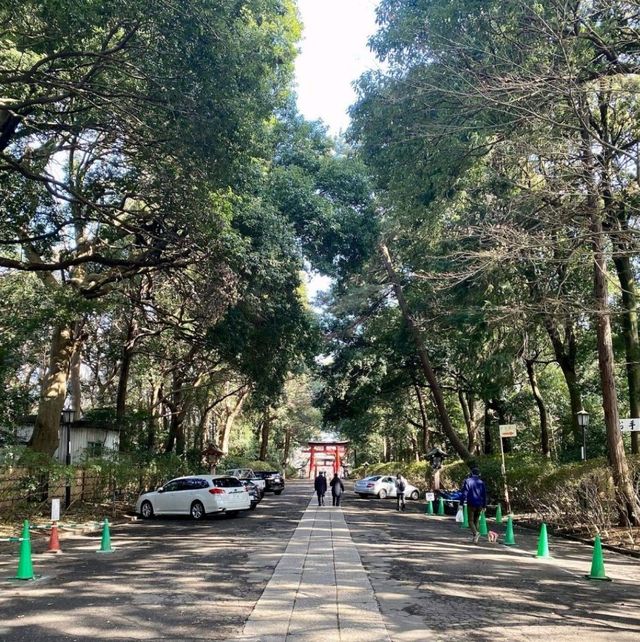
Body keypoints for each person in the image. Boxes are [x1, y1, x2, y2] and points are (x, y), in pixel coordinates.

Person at [460, 467, 487, 543]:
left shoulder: (468, 481)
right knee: (476, 520)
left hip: (471, 503)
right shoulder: (481, 482)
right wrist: (484, 506)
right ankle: (475, 538)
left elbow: (464, 493)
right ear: (479, 474)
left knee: (470, 520)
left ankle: (476, 533)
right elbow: (484, 495)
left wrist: (461, 503)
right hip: (480, 504)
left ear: (471, 473)